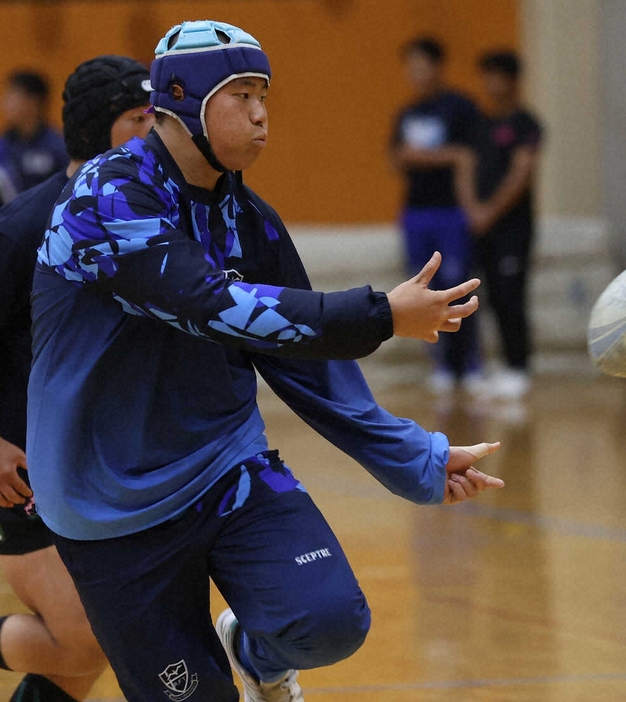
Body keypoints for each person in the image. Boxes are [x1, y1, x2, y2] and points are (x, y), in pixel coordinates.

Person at [27, 20, 504, 702]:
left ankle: (253, 653)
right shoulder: (109, 197)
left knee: (331, 622)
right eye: (241, 94)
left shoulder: (249, 219)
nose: (260, 115)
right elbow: (209, 302)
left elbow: (306, 363)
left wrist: (416, 456)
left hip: (225, 469)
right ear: (183, 101)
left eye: (264, 96)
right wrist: (383, 315)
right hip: (109, 509)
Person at [0, 55, 155, 702]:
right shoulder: (23, 227)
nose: (154, 134)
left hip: (102, 470)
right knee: (86, 637)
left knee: (88, 651)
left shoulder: (152, 221)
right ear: (96, 130)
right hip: (21, 470)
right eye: (137, 119)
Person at [389, 36, 484, 395]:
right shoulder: (407, 113)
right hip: (416, 213)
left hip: (452, 214)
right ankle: (441, 366)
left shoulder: (460, 108)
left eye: (421, 64)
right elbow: (396, 158)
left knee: (458, 287)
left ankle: (471, 366)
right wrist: (441, 155)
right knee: (422, 292)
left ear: (437, 66)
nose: (415, 73)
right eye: (409, 66)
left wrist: (424, 156)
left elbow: (469, 157)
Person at [458, 50, 543, 400]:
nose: (491, 83)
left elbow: (522, 172)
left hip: (512, 228)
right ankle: (499, 364)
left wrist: (490, 211)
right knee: (488, 295)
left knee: (512, 295)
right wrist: (471, 210)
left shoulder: (526, 124)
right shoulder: (478, 124)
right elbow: (465, 167)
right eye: (486, 75)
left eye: (497, 75)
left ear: (512, 80)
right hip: (481, 226)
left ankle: (519, 366)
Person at [0, 71, 68, 195]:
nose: (4, 102)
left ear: (33, 102)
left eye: (12, 95)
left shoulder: (59, 148)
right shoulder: (3, 145)